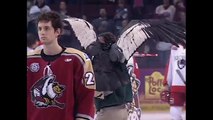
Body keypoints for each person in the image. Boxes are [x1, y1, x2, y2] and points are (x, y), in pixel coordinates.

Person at [27, 11, 96, 120]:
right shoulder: (29, 60)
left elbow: (87, 94)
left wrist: (83, 118)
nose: (42, 32)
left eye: (46, 28)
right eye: (40, 29)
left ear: (57, 31)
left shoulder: (78, 59)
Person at [86, 32, 132, 120]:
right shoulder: (119, 61)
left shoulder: (104, 63)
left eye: (100, 41)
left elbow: (103, 92)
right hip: (123, 110)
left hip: (109, 111)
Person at [162, 44, 186, 120]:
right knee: (174, 113)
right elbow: (170, 66)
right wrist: (166, 83)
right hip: (176, 85)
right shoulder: (175, 48)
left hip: (177, 85)